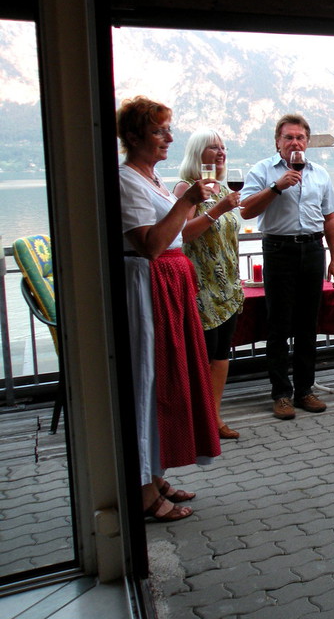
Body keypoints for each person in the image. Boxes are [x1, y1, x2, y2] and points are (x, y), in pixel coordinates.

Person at [117, 95, 220, 522]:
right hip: (147, 288)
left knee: (166, 378)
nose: (169, 138)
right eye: (159, 131)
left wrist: (203, 207)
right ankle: (142, 491)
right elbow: (151, 244)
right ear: (134, 136)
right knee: (148, 381)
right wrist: (187, 200)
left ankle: (155, 475)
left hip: (169, 285)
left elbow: (178, 235)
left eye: (168, 129)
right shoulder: (126, 180)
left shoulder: (152, 178)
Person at [240, 114, 334, 420]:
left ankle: (305, 390)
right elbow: (245, 210)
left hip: (312, 249)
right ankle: (281, 394)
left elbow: (330, 218)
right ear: (278, 142)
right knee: (279, 325)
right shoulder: (262, 170)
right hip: (278, 250)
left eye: (300, 137)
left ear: (307, 142)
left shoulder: (320, 173)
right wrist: (276, 187)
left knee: (308, 324)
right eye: (289, 137)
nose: (295, 143)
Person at [175, 129, 245, 440]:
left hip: (227, 287)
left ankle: (214, 418)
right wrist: (219, 210)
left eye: (223, 147)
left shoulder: (222, 189)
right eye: (213, 147)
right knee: (202, 357)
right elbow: (183, 234)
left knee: (220, 356)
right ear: (197, 153)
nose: (220, 152)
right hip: (201, 287)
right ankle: (195, 422)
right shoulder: (187, 189)